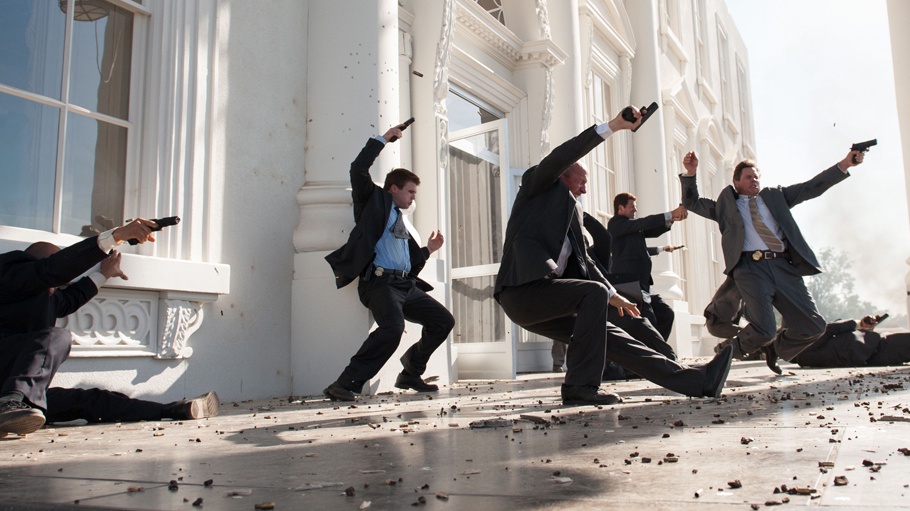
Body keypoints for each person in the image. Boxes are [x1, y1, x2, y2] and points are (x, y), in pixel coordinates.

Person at [494, 108, 734, 406]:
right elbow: (562, 155)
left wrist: (612, 294)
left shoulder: (572, 214)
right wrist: (614, 126)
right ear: (563, 175)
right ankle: (581, 386)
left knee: (612, 336)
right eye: (581, 182)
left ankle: (696, 381)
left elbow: (587, 261)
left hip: (549, 299)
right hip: (521, 292)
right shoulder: (536, 186)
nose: (584, 189)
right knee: (592, 293)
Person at [0, 219, 220, 437]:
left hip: (18, 397)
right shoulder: (9, 272)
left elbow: (71, 298)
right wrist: (116, 236)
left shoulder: (48, 298)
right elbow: (51, 269)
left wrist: (103, 274)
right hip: (12, 396)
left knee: (91, 400)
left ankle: (173, 410)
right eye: (55, 281)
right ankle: (10, 405)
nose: (56, 287)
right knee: (57, 337)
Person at [681, 149, 865, 370]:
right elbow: (692, 202)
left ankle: (775, 349)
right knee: (764, 329)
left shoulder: (775, 197)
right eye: (748, 177)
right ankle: (722, 359)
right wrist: (691, 173)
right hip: (750, 269)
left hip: (783, 266)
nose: (754, 180)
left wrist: (844, 164)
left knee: (814, 326)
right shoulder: (725, 206)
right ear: (736, 182)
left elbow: (810, 187)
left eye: (756, 176)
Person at [323, 122, 455, 402]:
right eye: (410, 192)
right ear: (393, 188)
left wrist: (429, 249)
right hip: (379, 284)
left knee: (443, 321)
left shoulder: (400, 220)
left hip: (404, 286)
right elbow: (358, 169)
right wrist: (383, 139)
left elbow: (407, 259)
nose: (413, 197)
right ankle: (345, 383)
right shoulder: (372, 202)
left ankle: (410, 373)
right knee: (392, 329)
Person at [608, 192, 686, 342]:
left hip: (643, 285)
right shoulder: (616, 224)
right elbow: (644, 223)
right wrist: (670, 213)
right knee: (648, 320)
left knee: (666, 314)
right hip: (629, 284)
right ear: (620, 208)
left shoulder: (631, 228)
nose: (635, 209)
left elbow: (652, 229)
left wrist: (672, 219)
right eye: (632, 206)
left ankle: (655, 350)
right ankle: (653, 352)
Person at [792, 315, 910, 368]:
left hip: (873, 353)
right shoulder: (804, 351)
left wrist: (864, 326)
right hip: (877, 348)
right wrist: (858, 323)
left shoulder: (806, 356)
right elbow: (828, 329)